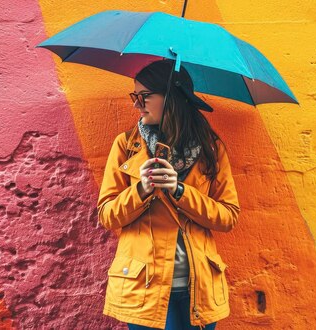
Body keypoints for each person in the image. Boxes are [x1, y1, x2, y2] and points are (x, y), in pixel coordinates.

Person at [97, 59, 240, 330]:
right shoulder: (127, 146)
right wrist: (142, 189)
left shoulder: (211, 149)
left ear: (172, 97)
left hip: (198, 289)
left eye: (145, 96)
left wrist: (180, 191)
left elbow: (228, 217)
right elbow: (107, 215)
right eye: (134, 96)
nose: (136, 104)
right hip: (143, 289)